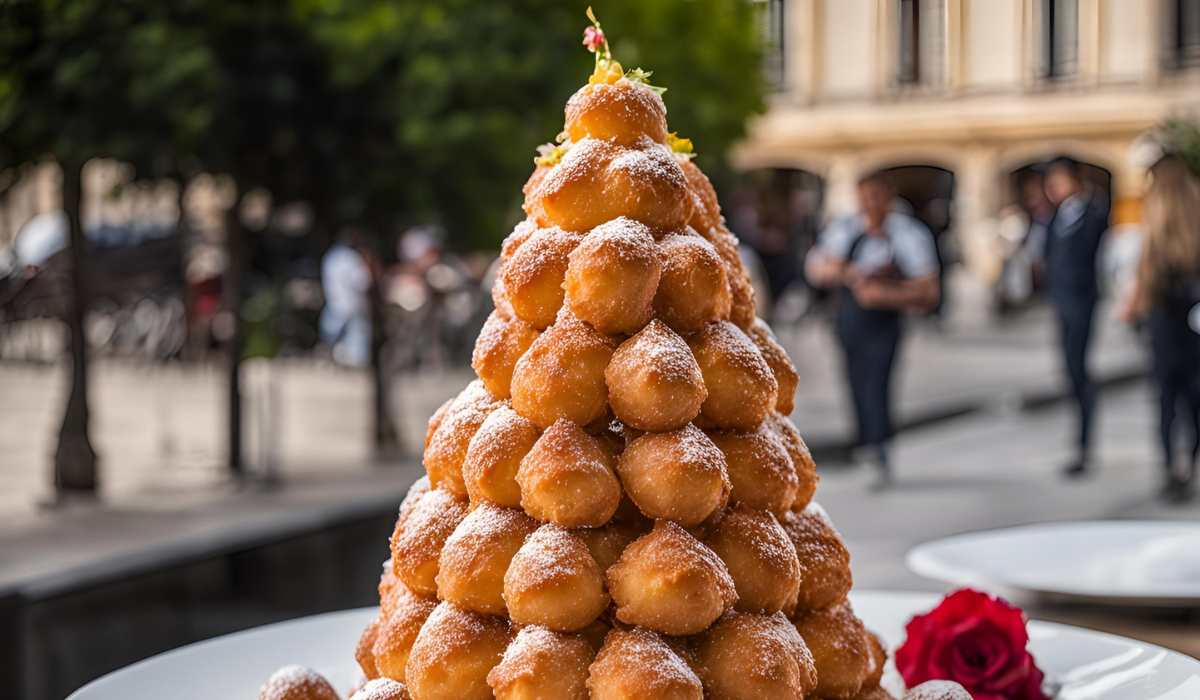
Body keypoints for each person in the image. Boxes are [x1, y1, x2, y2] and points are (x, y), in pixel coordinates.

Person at [805, 172, 940, 488]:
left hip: (884, 320)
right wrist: (849, 275)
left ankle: (879, 444)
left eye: (876, 196)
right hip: (849, 318)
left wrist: (884, 294)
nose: (870, 203)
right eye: (865, 196)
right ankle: (866, 439)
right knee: (854, 378)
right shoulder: (845, 229)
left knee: (878, 379)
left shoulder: (908, 235)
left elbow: (927, 290)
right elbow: (817, 269)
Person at [1119, 155, 1200, 501]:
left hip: (1164, 324)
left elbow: (1142, 280)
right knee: (1195, 405)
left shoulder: (1153, 222)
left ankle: (1170, 467)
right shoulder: (1196, 213)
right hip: (1196, 324)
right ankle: (1188, 466)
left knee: (1166, 403)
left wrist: (1130, 312)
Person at [1042, 157, 1109, 477]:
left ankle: (1084, 443)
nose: (1052, 187)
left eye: (1058, 179)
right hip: (1062, 304)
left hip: (1081, 304)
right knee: (1070, 371)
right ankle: (1079, 441)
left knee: (1079, 371)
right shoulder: (1056, 217)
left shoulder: (1093, 214)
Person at [320, 229, 374, 367]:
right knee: (357, 338)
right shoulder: (352, 258)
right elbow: (363, 282)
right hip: (353, 304)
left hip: (333, 302)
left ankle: (331, 360)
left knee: (330, 335)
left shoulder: (330, 256)